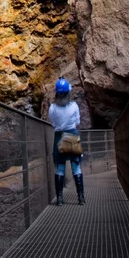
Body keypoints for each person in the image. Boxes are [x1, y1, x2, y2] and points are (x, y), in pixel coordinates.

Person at [48, 77, 85, 206]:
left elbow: (53, 123)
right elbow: (78, 122)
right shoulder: (74, 106)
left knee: (60, 167)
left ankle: (59, 198)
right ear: (68, 93)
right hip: (73, 135)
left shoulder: (52, 108)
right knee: (76, 167)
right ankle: (81, 198)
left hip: (60, 137)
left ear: (57, 94)